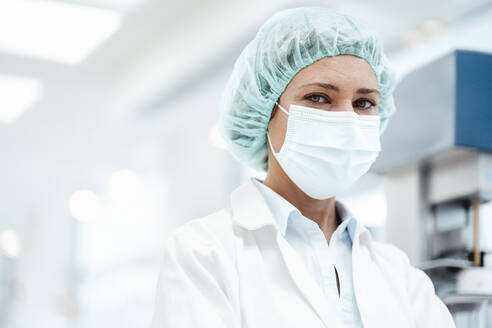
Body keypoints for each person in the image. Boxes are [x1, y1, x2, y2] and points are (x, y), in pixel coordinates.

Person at [151, 7, 456, 328]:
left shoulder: (400, 275)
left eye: (363, 103)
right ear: (265, 111)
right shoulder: (205, 254)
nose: (346, 120)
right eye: (318, 98)